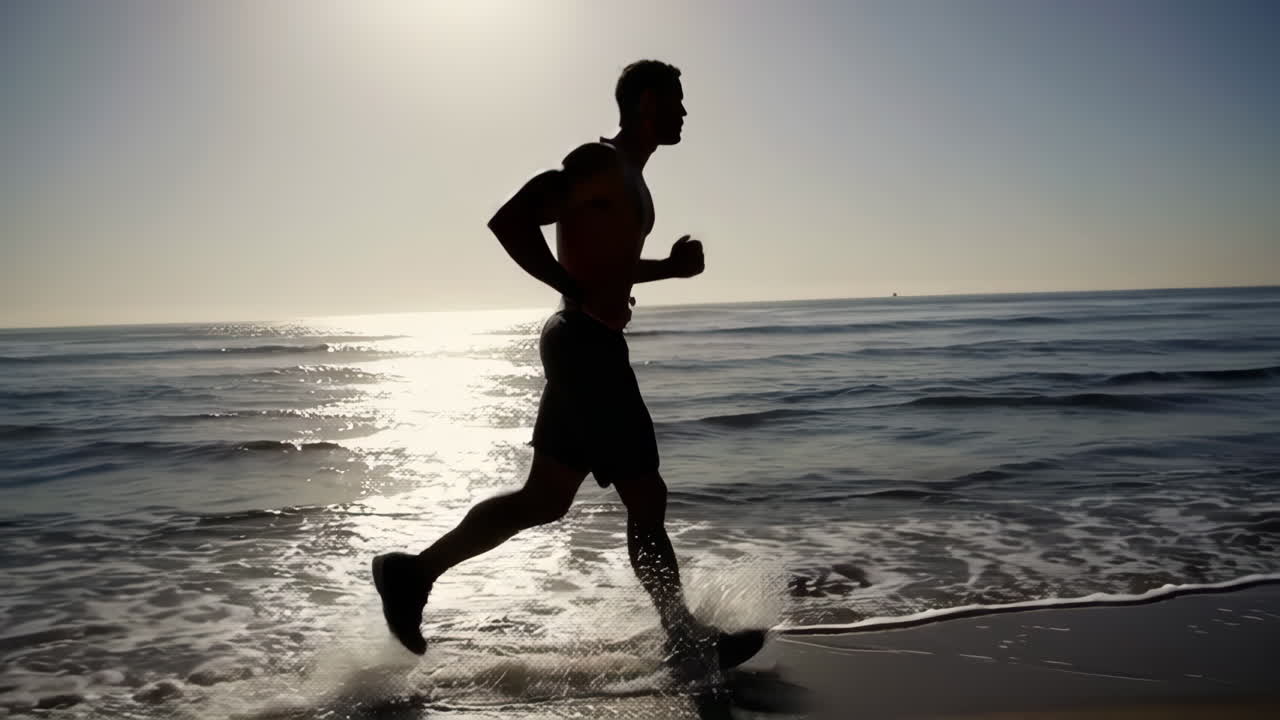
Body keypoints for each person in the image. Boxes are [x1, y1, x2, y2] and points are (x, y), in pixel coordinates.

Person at [372, 60, 762, 671]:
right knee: (646, 494)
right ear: (645, 103)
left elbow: (606, 264)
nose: (685, 113)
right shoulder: (597, 163)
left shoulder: (632, 180)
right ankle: (684, 640)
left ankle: (411, 574)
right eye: (677, 100)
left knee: (544, 499)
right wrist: (567, 286)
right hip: (585, 347)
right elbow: (512, 219)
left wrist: (666, 269)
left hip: (586, 343)